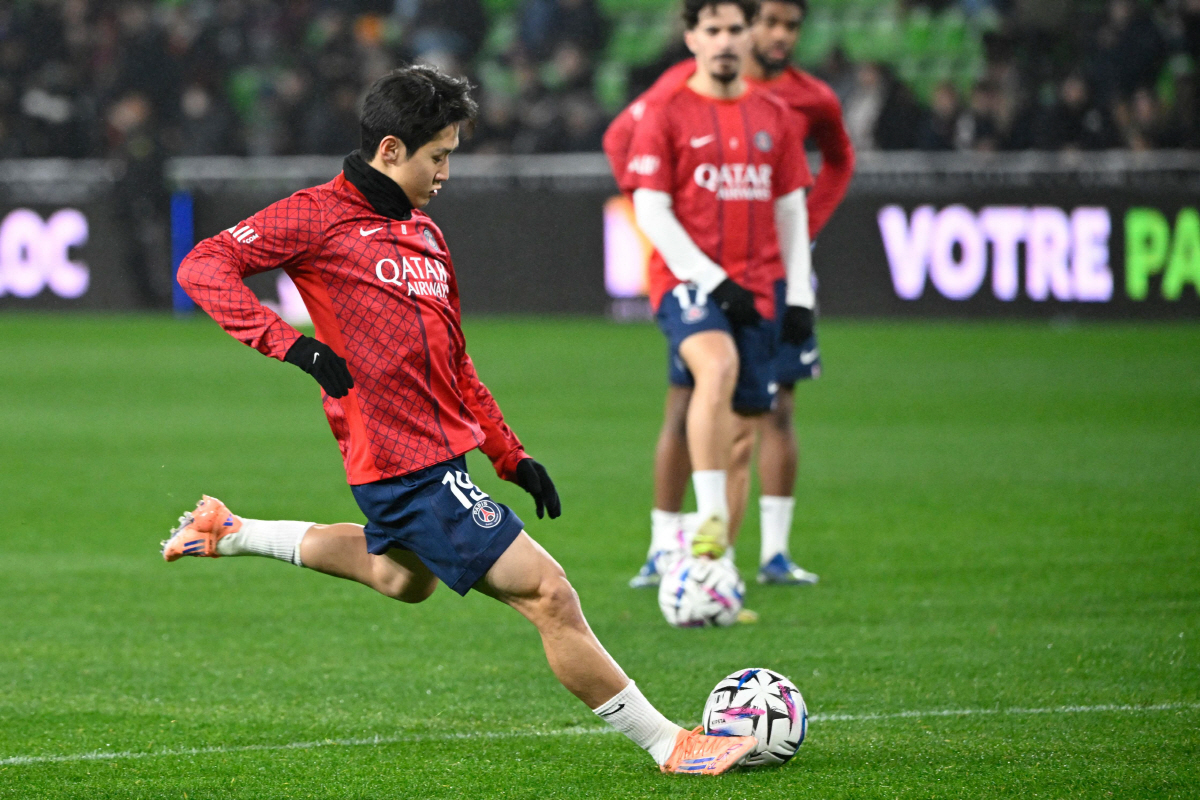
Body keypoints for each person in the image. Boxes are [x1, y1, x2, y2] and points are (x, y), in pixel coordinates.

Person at [164, 64, 755, 777]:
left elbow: (455, 359)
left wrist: (511, 455)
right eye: (437, 155)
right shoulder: (316, 215)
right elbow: (203, 265)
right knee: (549, 593)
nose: (447, 171)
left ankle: (230, 531)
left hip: (439, 456)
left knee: (401, 580)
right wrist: (294, 346)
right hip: (398, 463)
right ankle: (672, 746)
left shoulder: (428, 238)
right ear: (389, 150)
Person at [604, 0, 852, 589]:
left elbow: (791, 209)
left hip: (762, 281)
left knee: (745, 431)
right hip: (689, 282)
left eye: (734, 29)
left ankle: (714, 573)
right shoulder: (665, 108)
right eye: (711, 29)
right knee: (715, 366)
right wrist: (715, 281)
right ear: (691, 36)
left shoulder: (775, 113)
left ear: (749, 36)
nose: (723, 41)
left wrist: (797, 295)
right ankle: (706, 516)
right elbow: (651, 209)